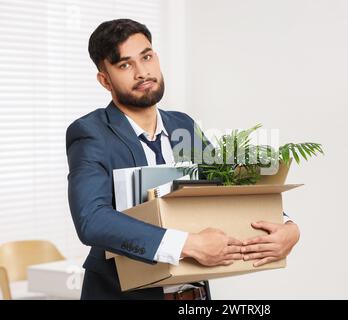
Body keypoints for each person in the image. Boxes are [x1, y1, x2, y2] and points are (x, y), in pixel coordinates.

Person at [66, 18, 300, 300]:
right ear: (105, 80)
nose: (142, 72)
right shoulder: (91, 133)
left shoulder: (182, 126)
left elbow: (225, 187)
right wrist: (186, 244)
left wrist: (287, 227)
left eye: (147, 57)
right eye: (125, 65)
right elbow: (92, 220)